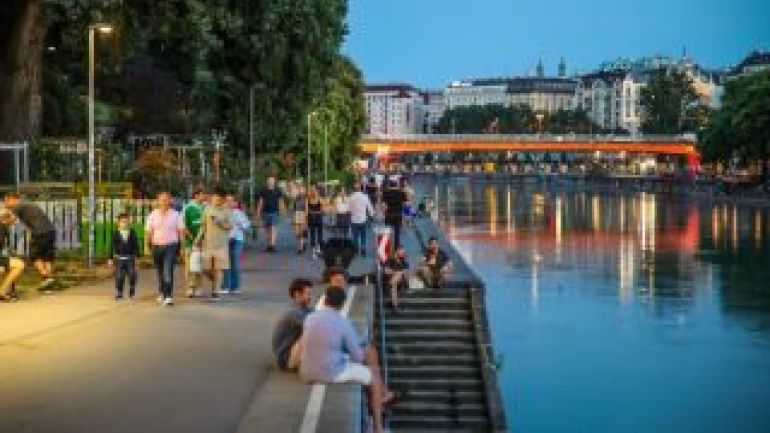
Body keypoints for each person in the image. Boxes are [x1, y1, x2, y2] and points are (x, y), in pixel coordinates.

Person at [300, 268, 398, 433]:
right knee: (372, 377)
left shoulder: (310, 317)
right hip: (328, 373)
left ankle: (372, 418)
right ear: (342, 304)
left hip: (306, 371)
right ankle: (377, 428)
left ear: (325, 301)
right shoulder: (343, 322)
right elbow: (358, 357)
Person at [2, 192, 57, 290]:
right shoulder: (28, 203)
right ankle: (50, 282)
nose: (5, 204)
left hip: (39, 232)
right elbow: (31, 220)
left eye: (6, 201)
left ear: (12, 199)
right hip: (50, 230)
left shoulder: (18, 207)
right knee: (47, 257)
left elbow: (11, 220)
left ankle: (46, 277)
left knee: (33, 256)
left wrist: (3, 221)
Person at [144, 191, 184, 306]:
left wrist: (182, 247)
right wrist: (146, 246)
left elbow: (181, 232)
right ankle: (162, 292)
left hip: (171, 246)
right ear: (158, 201)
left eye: (166, 200)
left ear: (170, 201)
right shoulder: (152, 215)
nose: (164, 202)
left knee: (168, 271)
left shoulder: (176, 215)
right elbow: (148, 232)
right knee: (160, 271)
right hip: (156, 246)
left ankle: (168, 296)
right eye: (161, 200)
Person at [195, 188, 233, 299]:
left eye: (219, 198)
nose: (216, 200)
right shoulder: (207, 209)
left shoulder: (227, 211)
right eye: (215, 197)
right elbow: (203, 226)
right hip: (208, 243)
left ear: (223, 199)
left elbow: (230, 226)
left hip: (221, 244)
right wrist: (197, 240)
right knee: (205, 268)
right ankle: (213, 279)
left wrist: (220, 223)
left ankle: (215, 291)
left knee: (218, 268)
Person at [271, 278, 314, 371]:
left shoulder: (304, 309)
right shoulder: (294, 313)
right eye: (308, 294)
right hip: (286, 359)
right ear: (297, 295)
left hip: (290, 352)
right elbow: (315, 330)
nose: (311, 297)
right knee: (314, 335)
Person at [221, 194, 250, 294]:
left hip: (237, 240)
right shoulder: (222, 213)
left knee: (235, 264)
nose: (229, 203)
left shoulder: (239, 213)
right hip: (225, 240)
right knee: (225, 264)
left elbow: (247, 225)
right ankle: (225, 286)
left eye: (232, 201)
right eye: (227, 200)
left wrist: (241, 224)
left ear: (235, 203)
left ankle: (235, 287)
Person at [108, 213, 139, 301]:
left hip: (130, 258)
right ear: (119, 223)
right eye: (122, 222)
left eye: (126, 222)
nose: (124, 224)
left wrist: (137, 256)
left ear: (129, 222)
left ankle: (132, 291)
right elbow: (112, 246)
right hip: (119, 259)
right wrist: (110, 258)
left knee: (132, 274)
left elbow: (135, 245)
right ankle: (119, 292)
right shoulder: (116, 233)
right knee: (119, 276)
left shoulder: (132, 232)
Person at [181, 189, 206, 297]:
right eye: (202, 195)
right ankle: (190, 288)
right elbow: (183, 226)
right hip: (190, 242)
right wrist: (191, 238)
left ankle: (199, 287)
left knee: (200, 266)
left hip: (203, 242)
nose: (204, 197)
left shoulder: (205, 207)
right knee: (189, 267)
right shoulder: (187, 208)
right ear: (196, 196)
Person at [0, 209, 24, 302]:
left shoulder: (3, 227)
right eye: (13, 220)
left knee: (9, 265)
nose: (14, 223)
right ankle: (2, 292)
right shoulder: (2, 227)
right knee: (19, 264)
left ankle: (7, 291)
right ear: (6, 218)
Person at [257, 176, 283, 252]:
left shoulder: (278, 191)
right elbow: (261, 202)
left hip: (275, 212)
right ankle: (269, 245)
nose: (270, 182)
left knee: (273, 228)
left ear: (274, 182)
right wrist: (258, 212)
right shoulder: (263, 191)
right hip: (265, 212)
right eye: (269, 180)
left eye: (272, 180)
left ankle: (272, 245)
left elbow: (280, 201)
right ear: (267, 182)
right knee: (267, 229)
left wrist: (282, 210)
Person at [348, 184, 374, 256]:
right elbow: (369, 207)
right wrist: (371, 216)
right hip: (363, 219)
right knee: (363, 235)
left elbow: (349, 209)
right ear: (360, 189)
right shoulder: (365, 197)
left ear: (353, 189)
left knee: (355, 236)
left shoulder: (351, 197)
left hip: (354, 219)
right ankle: (363, 250)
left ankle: (356, 250)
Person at [381, 179, 407, 249]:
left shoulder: (385, 193)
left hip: (389, 214)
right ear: (397, 186)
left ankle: (387, 247)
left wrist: (384, 213)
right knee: (397, 233)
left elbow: (383, 206)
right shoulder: (402, 193)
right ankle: (396, 248)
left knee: (387, 232)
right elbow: (405, 204)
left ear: (390, 186)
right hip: (398, 215)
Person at [383, 245, 409, 312]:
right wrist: (396, 273)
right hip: (391, 283)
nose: (403, 253)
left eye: (404, 252)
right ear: (397, 251)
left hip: (401, 283)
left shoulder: (404, 263)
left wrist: (395, 272)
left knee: (399, 274)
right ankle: (395, 305)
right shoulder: (389, 260)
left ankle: (393, 281)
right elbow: (386, 271)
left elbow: (405, 273)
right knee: (393, 285)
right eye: (402, 251)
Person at [307, 185, 324, 259]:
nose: (314, 192)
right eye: (313, 191)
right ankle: (316, 250)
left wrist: (312, 212)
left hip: (314, 218)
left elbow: (308, 211)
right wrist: (318, 212)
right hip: (316, 218)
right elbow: (322, 210)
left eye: (314, 191)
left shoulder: (310, 200)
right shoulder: (317, 199)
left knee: (315, 234)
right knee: (316, 234)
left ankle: (316, 250)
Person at [290, 182, 308, 255]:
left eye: (302, 189)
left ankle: (300, 248)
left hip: (302, 213)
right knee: (297, 232)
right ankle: (301, 244)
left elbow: (306, 207)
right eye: (299, 189)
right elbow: (291, 206)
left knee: (301, 232)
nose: (301, 190)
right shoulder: (294, 197)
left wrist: (306, 216)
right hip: (295, 214)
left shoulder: (305, 198)